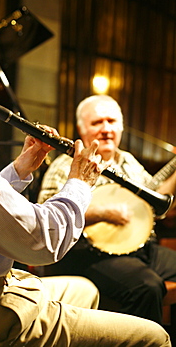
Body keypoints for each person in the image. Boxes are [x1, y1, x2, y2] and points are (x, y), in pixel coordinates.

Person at [0, 10, 171, 347]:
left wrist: (22, 167)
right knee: (155, 337)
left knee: (85, 290)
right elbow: (40, 241)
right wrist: (80, 181)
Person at [38, 94, 176, 326]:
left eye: (111, 122)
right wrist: (104, 212)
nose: (106, 129)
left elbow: (156, 203)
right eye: (97, 122)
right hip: (88, 254)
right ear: (82, 129)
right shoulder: (67, 163)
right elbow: (49, 217)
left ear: (121, 127)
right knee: (147, 287)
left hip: (140, 250)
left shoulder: (128, 161)